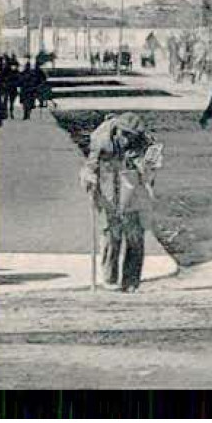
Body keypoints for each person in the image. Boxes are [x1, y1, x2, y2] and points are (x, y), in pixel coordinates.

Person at [78, 113, 160, 292]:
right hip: (108, 186)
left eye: (132, 136)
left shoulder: (144, 142)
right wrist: (89, 178)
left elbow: (150, 173)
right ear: (117, 132)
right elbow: (90, 165)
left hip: (132, 189)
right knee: (111, 234)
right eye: (125, 135)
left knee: (135, 234)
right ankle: (110, 278)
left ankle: (131, 281)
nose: (127, 140)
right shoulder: (101, 139)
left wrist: (145, 166)